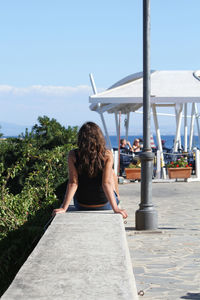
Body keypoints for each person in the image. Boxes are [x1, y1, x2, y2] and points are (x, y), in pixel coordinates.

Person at [52, 122, 127, 219]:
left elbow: (73, 183)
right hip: (105, 205)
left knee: (110, 173)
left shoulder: (73, 155)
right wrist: (116, 208)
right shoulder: (107, 155)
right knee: (112, 173)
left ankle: (116, 198)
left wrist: (63, 208)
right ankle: (118, 198)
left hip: (82, 205)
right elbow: (106, 183)